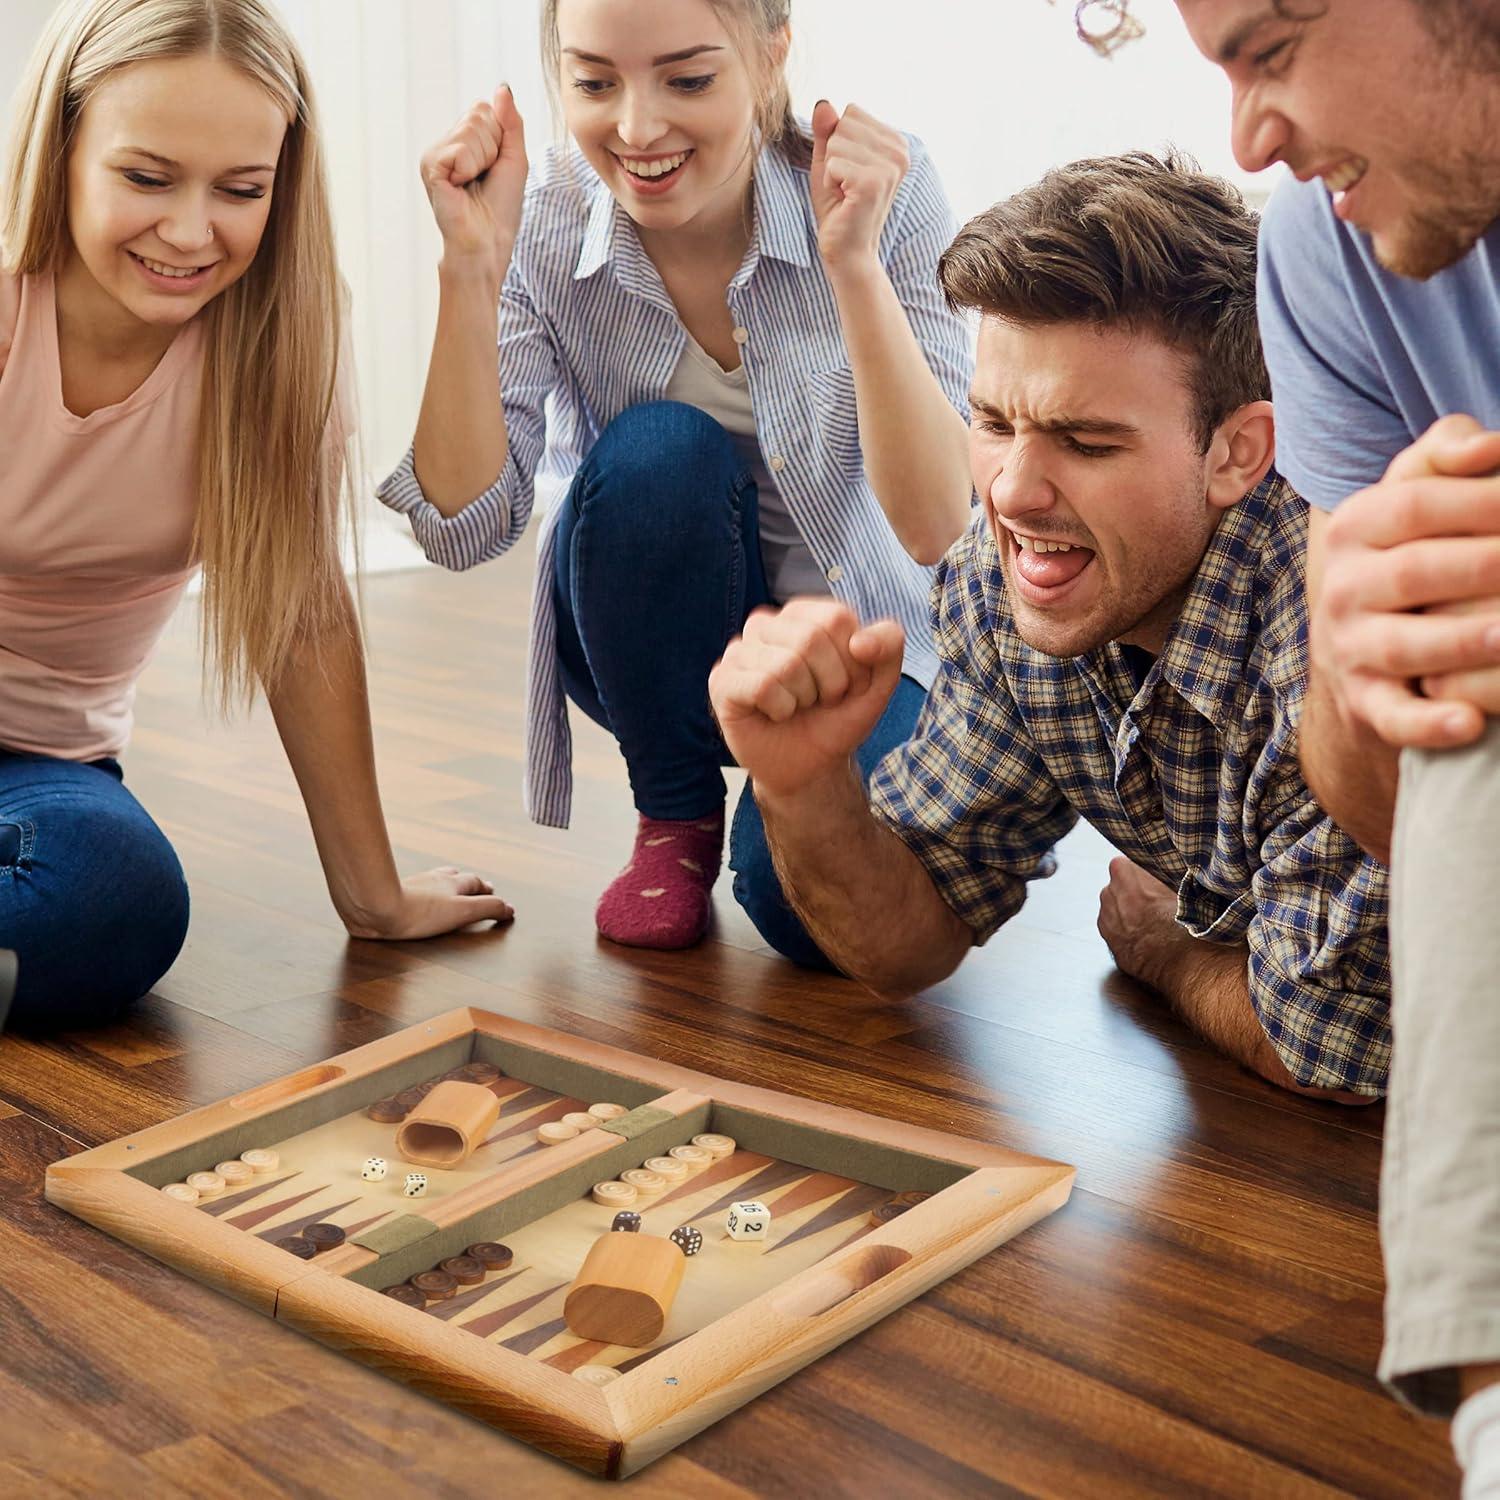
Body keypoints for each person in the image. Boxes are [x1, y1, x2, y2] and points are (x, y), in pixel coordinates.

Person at [709, 152, 1391, 1101]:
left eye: (1086, 441)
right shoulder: (1005, 582)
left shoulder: (1330, 640)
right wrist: (803, 783)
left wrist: (1167, 954)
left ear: (1238, 453)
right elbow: (910, 942)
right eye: (993, 423)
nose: (1013, 492)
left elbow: (1339, 1051)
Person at [379, 0, 973, 956]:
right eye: (594, 82)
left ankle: (773, 808)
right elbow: (463, 531)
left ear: (771, 57)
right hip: (653, 635)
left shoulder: (887, 190)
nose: (638, 128)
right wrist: (468, 268)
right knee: (659, 451)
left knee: (810, 916)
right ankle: (676, 815)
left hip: (860, 635)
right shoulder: (547, 225)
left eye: (687, 79)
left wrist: (853, 265)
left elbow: (944, 525)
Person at [0, 0, 512, 1034]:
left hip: (43, 768)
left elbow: (299, 615)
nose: (192, 232)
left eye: (241, 190)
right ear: (60, 150)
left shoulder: (280, 344)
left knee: (116, 896)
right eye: (146, 178)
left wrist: (372, 896)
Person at [1173, 1, 1500, 1488]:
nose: (1248, 134)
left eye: (1275, 45)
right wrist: (1368, 664)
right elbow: (1384, 813)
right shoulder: (1327, 250)